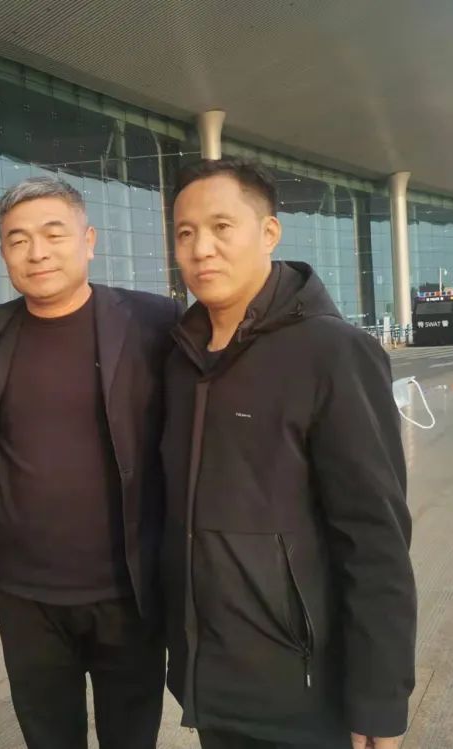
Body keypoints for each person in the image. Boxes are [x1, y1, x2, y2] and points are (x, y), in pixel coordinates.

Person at [160, 158, 417, 749]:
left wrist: (380, 698)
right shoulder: (181, 357)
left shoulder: (333, 353)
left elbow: (375, 537)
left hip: (301, 687)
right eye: (185, 233)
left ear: (269, 232)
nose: (201, 249)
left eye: (222, 227)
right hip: (212, 682)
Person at [0, 176, 182, 749]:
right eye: (17, 240)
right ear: (3, 252)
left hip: (127, 591)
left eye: (53, 234)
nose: (36, 252)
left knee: (130, 738)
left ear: (89, 241)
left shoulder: (153, 322)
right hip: (25, 595)